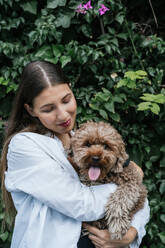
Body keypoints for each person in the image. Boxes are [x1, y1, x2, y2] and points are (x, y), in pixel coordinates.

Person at [0, 61, 150, 248]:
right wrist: (132, 183)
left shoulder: (81, 139)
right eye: (48, 109)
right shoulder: (24, 146)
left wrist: (129, 234)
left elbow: (142, 203)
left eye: (66, 100)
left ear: (71, 90)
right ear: (31, 110)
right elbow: (81, 204)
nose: (63, 115)